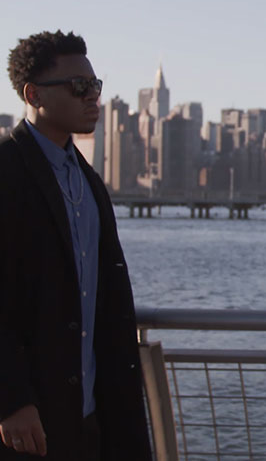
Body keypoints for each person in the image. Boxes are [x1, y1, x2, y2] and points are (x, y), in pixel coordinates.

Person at [0, 31, 151, 459]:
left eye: (95, 86)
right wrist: (10, 399)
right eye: (78, 87)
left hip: (88, 417)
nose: (92, 98)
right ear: (34, 94)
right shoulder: (6, 171)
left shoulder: (87, 182)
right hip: (25, 422)